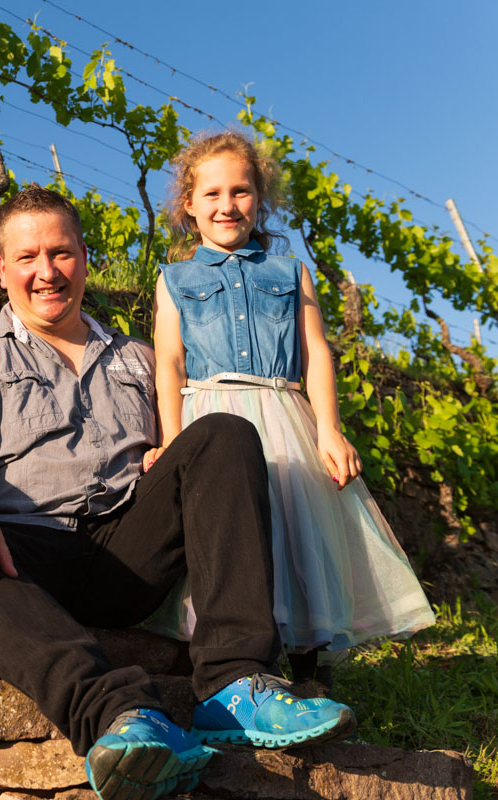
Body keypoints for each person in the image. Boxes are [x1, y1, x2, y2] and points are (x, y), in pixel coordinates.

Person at [0, 185, 356, 800]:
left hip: (129, 552)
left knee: (223, 433)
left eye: (61, 253)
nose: (47, 272)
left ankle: (234, 682)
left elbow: (195, 463)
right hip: (25, 556)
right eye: (29, 257)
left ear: (84, 258)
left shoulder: (141, 360)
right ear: (2, 268)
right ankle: (120, 716)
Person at [148, 131, 434, 682]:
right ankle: (227, 662)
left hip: (282, 412)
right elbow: (171, 368)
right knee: (226, 532)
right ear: (189, 204)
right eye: (211, 194)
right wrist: (170, 439)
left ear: (260, 196)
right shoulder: (174, 280)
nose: (226, 206)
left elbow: (317, 352)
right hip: (211, 416)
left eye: (240, 191)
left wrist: (328, 429)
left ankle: (306, 666)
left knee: (296, 531)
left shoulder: (289, 272)